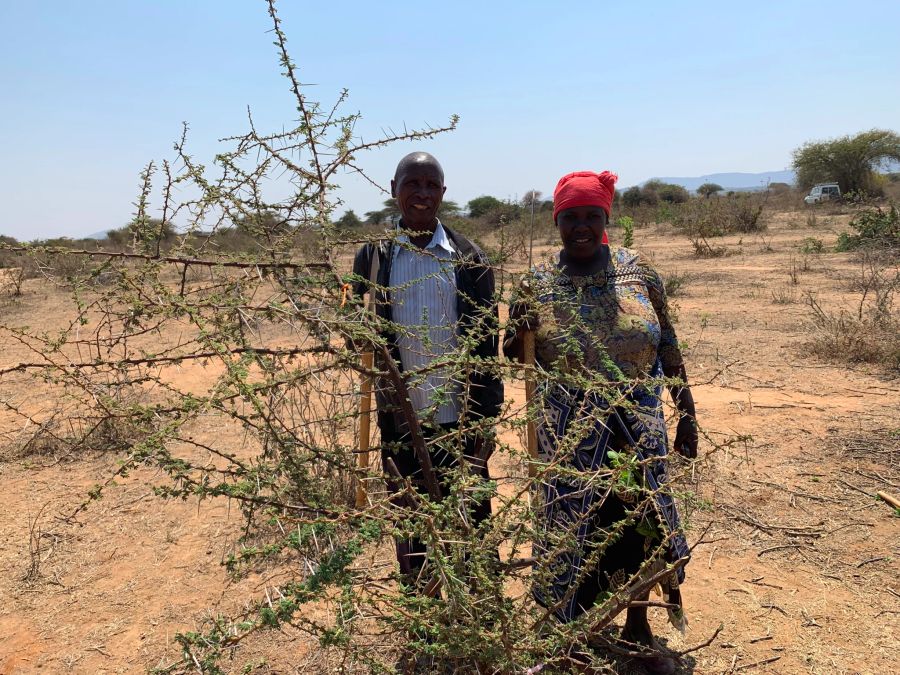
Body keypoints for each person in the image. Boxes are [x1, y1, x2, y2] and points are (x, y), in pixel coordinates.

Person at [504, 170, 697, 675]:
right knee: (572, 529)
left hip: (637, 425)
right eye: (572, 218)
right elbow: (514, 356)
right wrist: (516, 334)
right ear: (558, 222)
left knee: (640, 525)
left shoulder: (639, 272)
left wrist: (687, 413)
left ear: (606, 218)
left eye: (593, 216)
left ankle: (638, 623)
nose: (583, 226)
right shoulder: (537, 283)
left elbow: (669, 348)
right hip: (568, 432)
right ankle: (572, 627)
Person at [351, 152, 503, 588]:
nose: (421, 193)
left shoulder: (468, 257)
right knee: (412, 519)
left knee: (471, 518)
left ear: (443, 193)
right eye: (411, 183)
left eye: (430, 185)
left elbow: (485, 344)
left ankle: (481, 609)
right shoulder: (374, 257)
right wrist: (354, 331)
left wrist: (486, 420)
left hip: (461, 421)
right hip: (400, 418)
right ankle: (424, 611)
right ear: (393, 188)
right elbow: (351, 318)